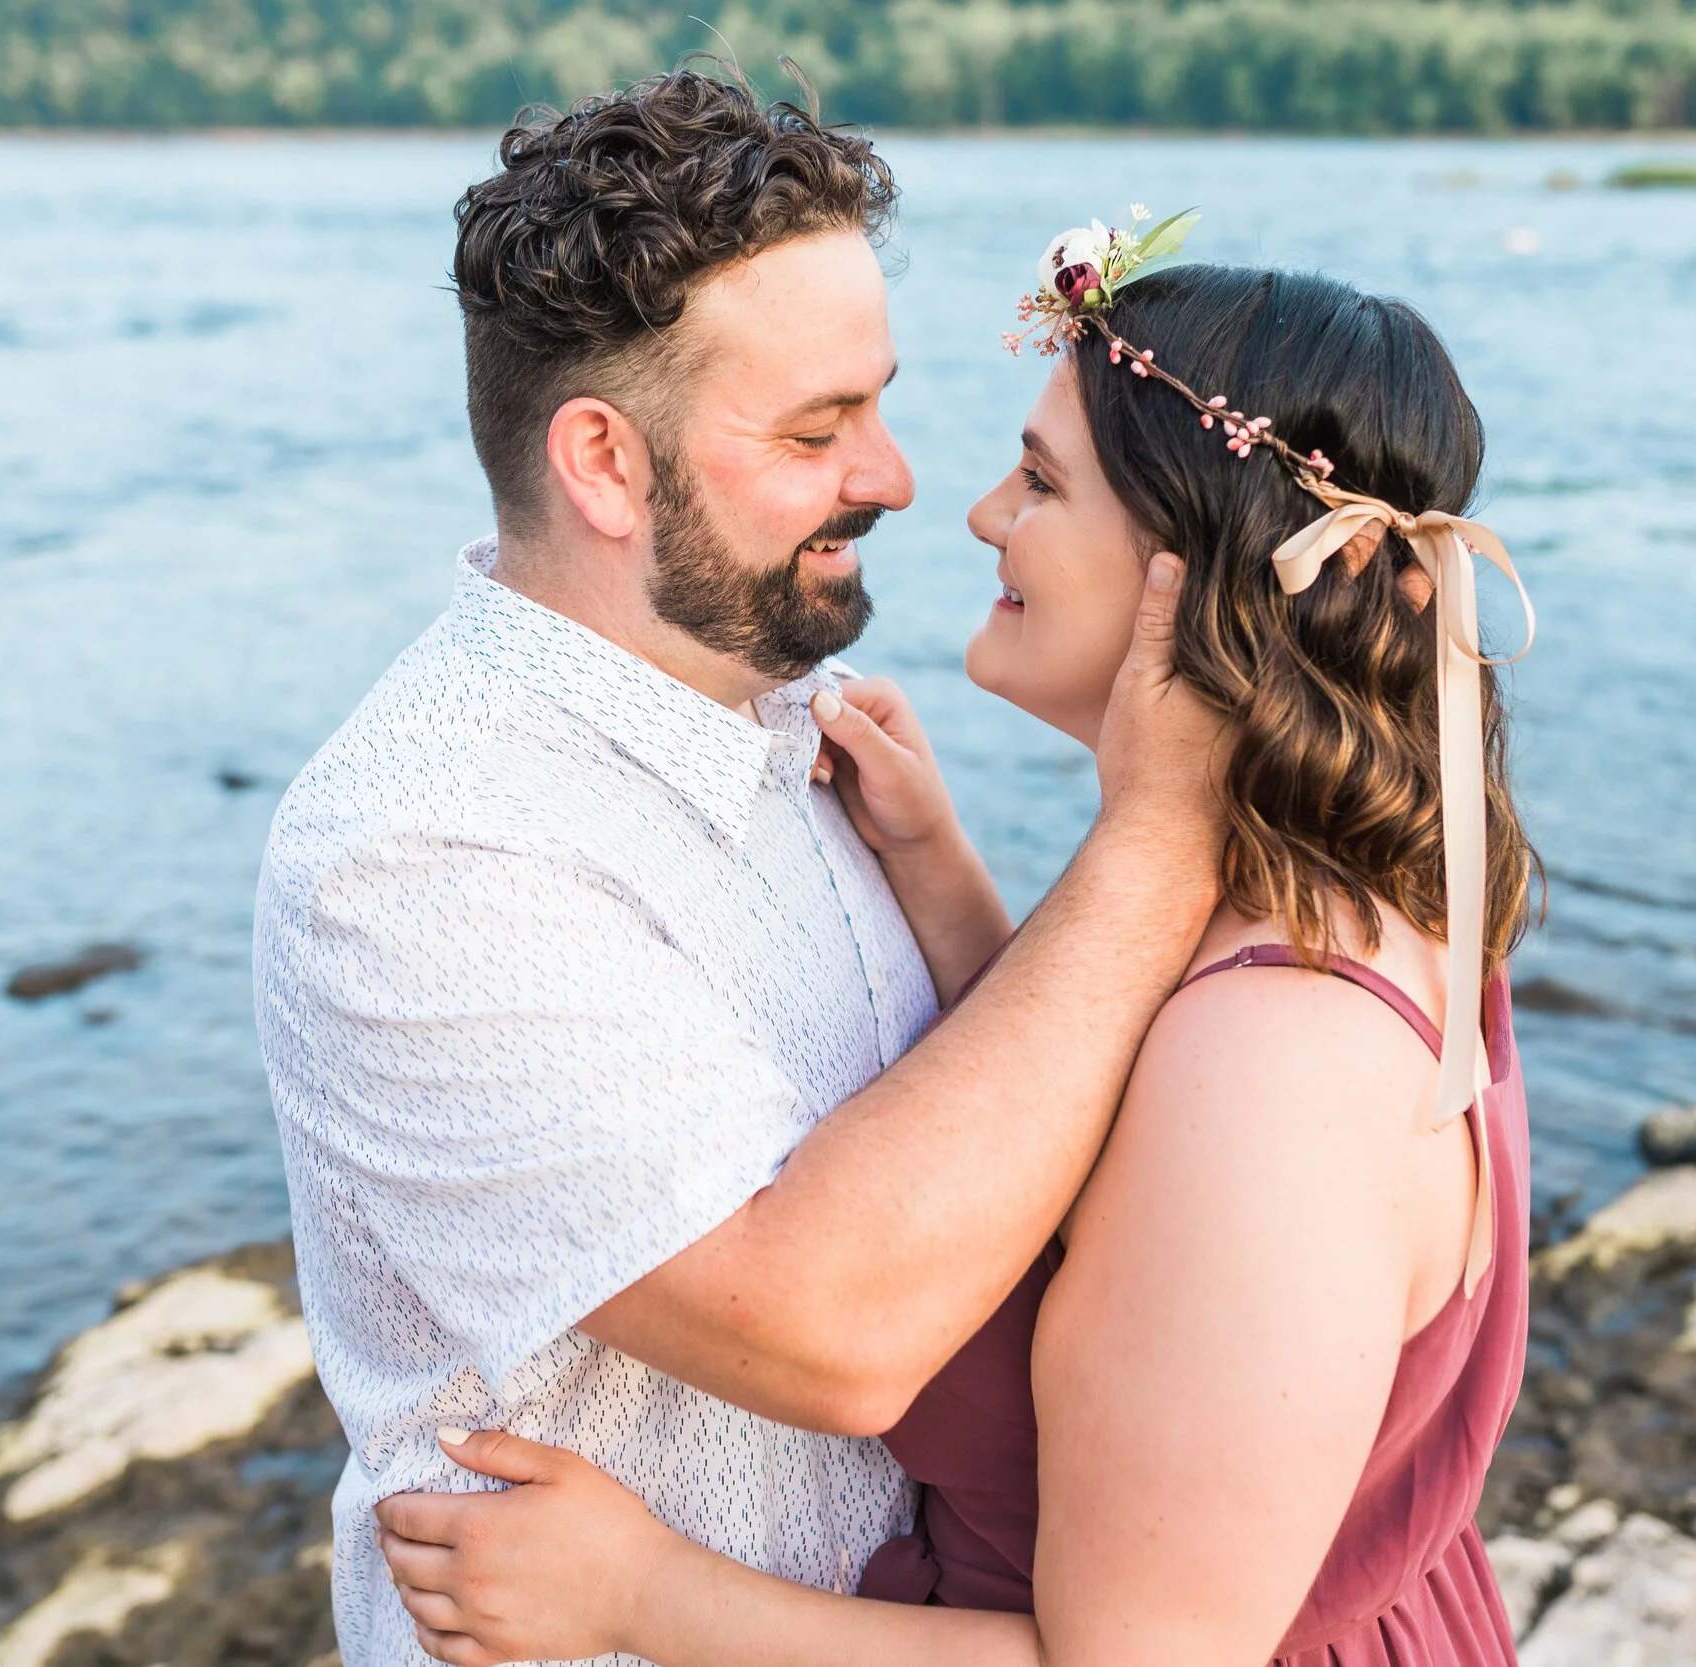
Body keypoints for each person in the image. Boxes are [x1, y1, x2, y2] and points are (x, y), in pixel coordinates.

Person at [372, 233, 1541, 1666]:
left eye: (1043, 482)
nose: (975, 511)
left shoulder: (1279, 1061)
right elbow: (1110, 1182)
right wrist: (942, 878)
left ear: (1212, 562)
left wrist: (639, 1595)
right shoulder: (1334, 888)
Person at [251, 74, 1233, 1667]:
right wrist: (1161, 833)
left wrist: (954, 875)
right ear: (605, 463)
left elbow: (1013, 1145)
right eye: (816, 429)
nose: (900, 478)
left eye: (879, 401)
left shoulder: (784, 719)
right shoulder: (420, 851)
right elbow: (836, 1333)